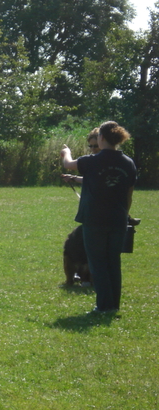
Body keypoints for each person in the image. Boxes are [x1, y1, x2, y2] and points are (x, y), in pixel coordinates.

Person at [61, 121, 136, 313]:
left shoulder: (92, 160)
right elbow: (128, 195)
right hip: (118, 220)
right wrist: (123, 215)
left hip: (94, 221)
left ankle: (103, 306)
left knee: (98, 264)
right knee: (113, 263)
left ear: (101, 138)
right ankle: (113, 306)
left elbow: (68, 165)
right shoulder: (128, 163)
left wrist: (66, 152)